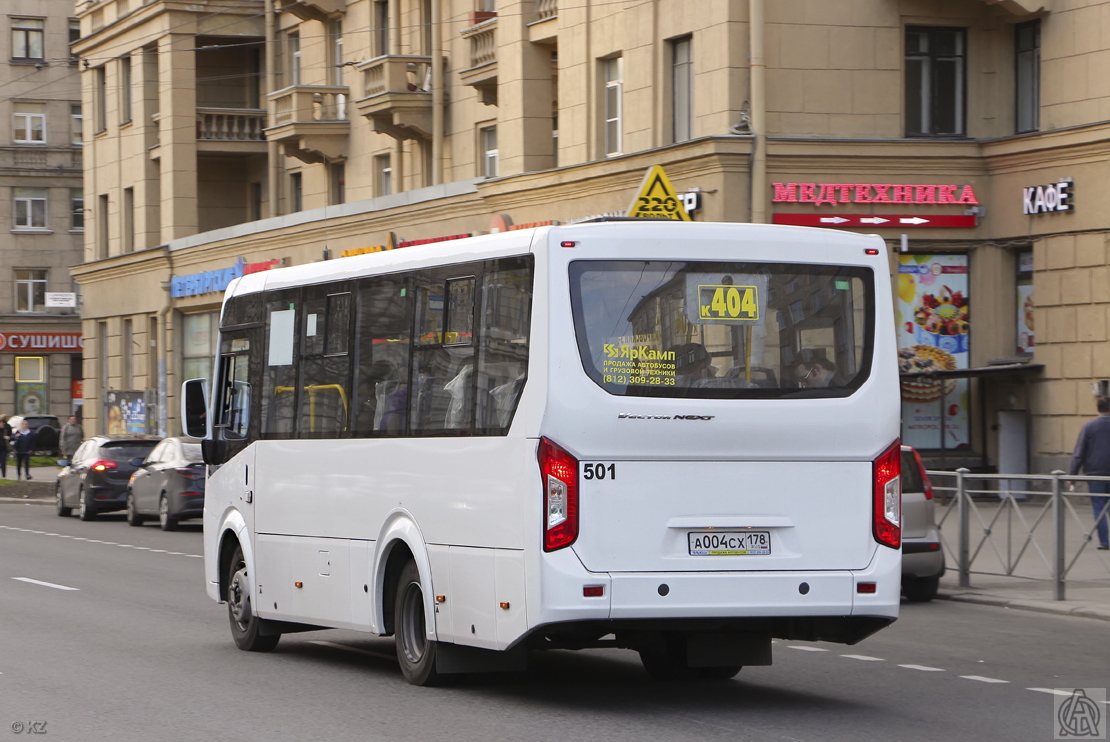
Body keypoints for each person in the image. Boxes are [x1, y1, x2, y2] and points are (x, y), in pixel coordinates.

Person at [1069, 396, 1110, 550]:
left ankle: (1105, 542)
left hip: (1095, 474)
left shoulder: (1088, 427)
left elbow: (1079, 453)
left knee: (1099, 506)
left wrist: (1072, 475)